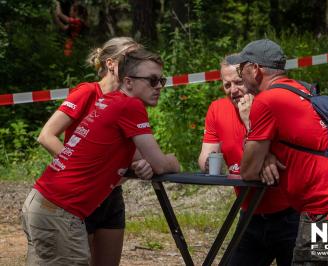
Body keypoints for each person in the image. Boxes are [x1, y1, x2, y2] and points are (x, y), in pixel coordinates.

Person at [227, 39, 328, 265]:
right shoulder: (302, 89)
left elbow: (249, 171)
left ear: (255, 69)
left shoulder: (267, 101)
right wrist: (268, 153)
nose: (241, 76)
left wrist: (250, 127)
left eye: (242, 69)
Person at [23, 48, 179, 265]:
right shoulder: (130, 105)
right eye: (152, 81)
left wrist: (141, 163)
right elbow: (161, 165)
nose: (159, 87)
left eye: (161, 80)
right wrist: (174, 161)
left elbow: (127, 153)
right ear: (129, 82)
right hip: (60, 210)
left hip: (44, 204)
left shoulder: (112, 101)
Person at [36, 37, 146, 266]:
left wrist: (140, 163)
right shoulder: (88, 92)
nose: (139, 64)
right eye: (132, 58)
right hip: (80, 197)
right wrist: (80, 169)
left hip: (111, 198)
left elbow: (132, 151)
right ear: (111, 63)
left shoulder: (130, 101)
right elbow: (46, 135)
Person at [198, 57, 299, 265]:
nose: (233, 90)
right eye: (227, 85)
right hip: (250, 213)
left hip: (291, 214)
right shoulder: (217, 109)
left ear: (250, 77)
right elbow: (206, 157)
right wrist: (209, 162)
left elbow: (287, 157)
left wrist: (261, 146)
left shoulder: (272, 102)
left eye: (238, 82)